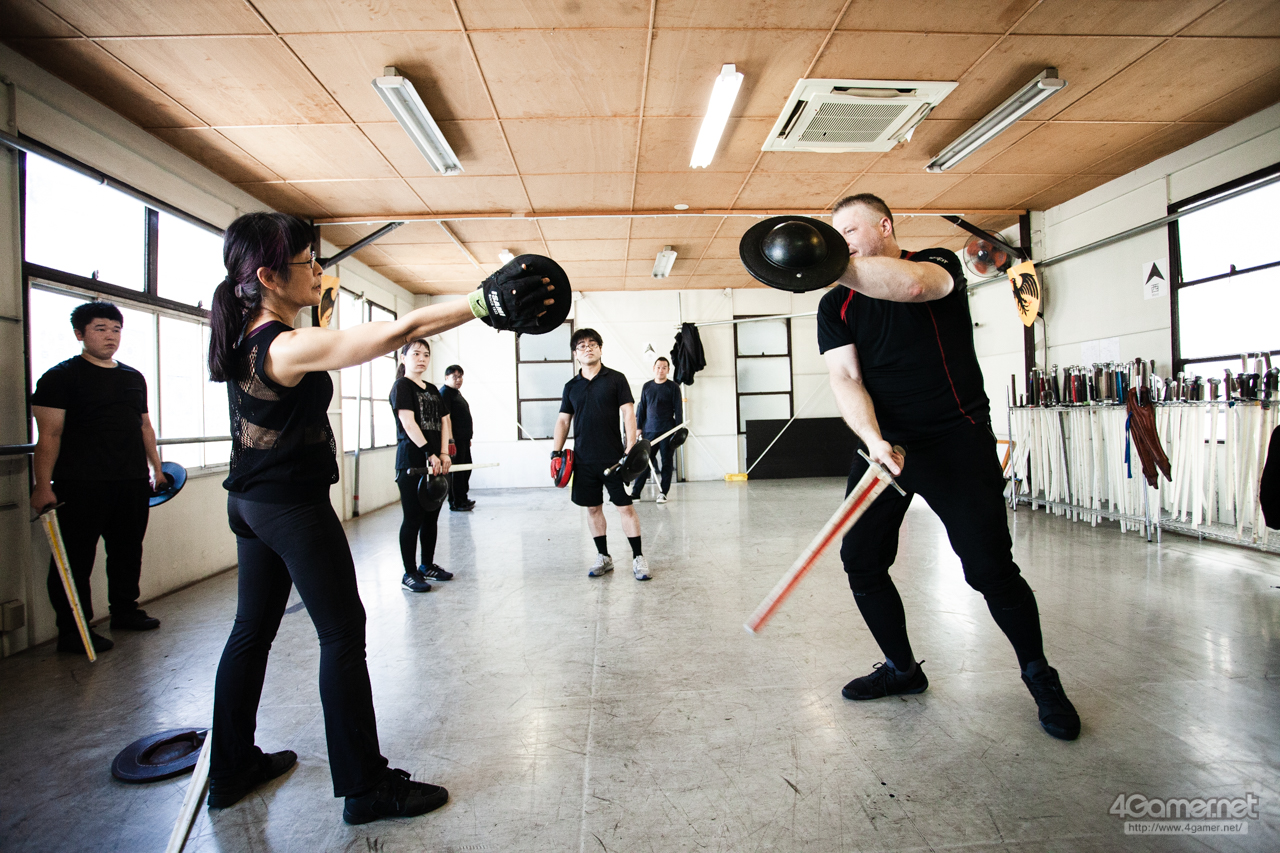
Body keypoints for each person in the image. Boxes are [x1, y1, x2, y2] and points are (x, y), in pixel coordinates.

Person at [204, 212, 560, 822]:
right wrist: (481, 302)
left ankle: (231, 766)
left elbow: (343, 322)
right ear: (267, 276)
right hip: (291, 506)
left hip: (250, 503)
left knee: (251, 631)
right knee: (342, 633)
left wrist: (319, 296)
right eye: (307, 262)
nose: (318, 270)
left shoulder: (247, 339)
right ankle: (365, 787)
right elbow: (405, 328)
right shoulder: (284, 346)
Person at [816, 193, 1080, 741]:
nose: (842, 244)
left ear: (884, 225)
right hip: (885, 448)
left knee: (989, 570)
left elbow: (912, 287)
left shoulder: (936, 263)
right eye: (834, 236)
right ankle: (902, 671)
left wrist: (823, 262)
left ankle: (1040, 677)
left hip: (955, 441)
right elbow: (845, 378)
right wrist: (873, 439)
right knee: (861, 560)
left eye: (850, 231)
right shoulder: (835, 304)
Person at [31, 301, 164, 654]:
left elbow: (144, 427)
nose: (110, 336)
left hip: (131, 481)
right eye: (100, 329)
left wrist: (156, 468)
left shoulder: (133, 378)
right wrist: (42, 485)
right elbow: (49, 436)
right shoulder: (60, 377)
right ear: (80, 334)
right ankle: (73, 630)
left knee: (127, 551)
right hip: (81, 483)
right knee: (76, 559)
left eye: (116, 329)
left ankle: (125, 611)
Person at [551, 329, 651, 581]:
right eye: (582, 345)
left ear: (600, 349)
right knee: (593, 508)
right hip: (583, 460)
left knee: (625, 508)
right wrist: (556, 452)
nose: (587, 348)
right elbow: (563, 420)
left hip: (614, 459)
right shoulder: (571, 387)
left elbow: (628, 412)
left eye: (592, 344)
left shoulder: (616, 379)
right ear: (575, 354)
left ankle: (638, 557)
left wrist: (630, 446)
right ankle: (603, 556)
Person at [391, 340, 454, 591]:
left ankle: (427, 565)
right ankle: (409, 573)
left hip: (436, 462)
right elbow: (408, 423)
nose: (422, 359)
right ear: (403, 358)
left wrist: (444, 452)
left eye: (426, 355)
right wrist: (429, 453)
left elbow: (445, 421)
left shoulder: (433, 389)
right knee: (413, 518)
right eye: (416, 354)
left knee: (431, 516)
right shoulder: (402, 386)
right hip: (412, 462)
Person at [630, 356, 683, 503]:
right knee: (644, 462)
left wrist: (678, 430)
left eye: (664, 367)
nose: (661, 370)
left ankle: (663, 492)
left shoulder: (673, 387)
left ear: (668, 370)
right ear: (654, 368)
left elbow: (678, 410)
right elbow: (642, 408)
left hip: (667, 431)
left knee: (667, 462)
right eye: (658, 367)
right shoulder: (647, 386)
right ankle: (636, 493)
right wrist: (638, 428)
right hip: (649, 431)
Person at [441, 364, 475, 511]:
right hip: (454, 441)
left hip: (463, 440)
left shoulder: (456, 393)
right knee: (457, 471)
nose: (458, 379)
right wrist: (450, 441)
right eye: (455, 377)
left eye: (460, 377)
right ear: (446, 377)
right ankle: (456, 502)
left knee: (466, 468)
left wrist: (467, 438)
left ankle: (463, 498)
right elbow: (446, 419)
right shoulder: (445, 393)